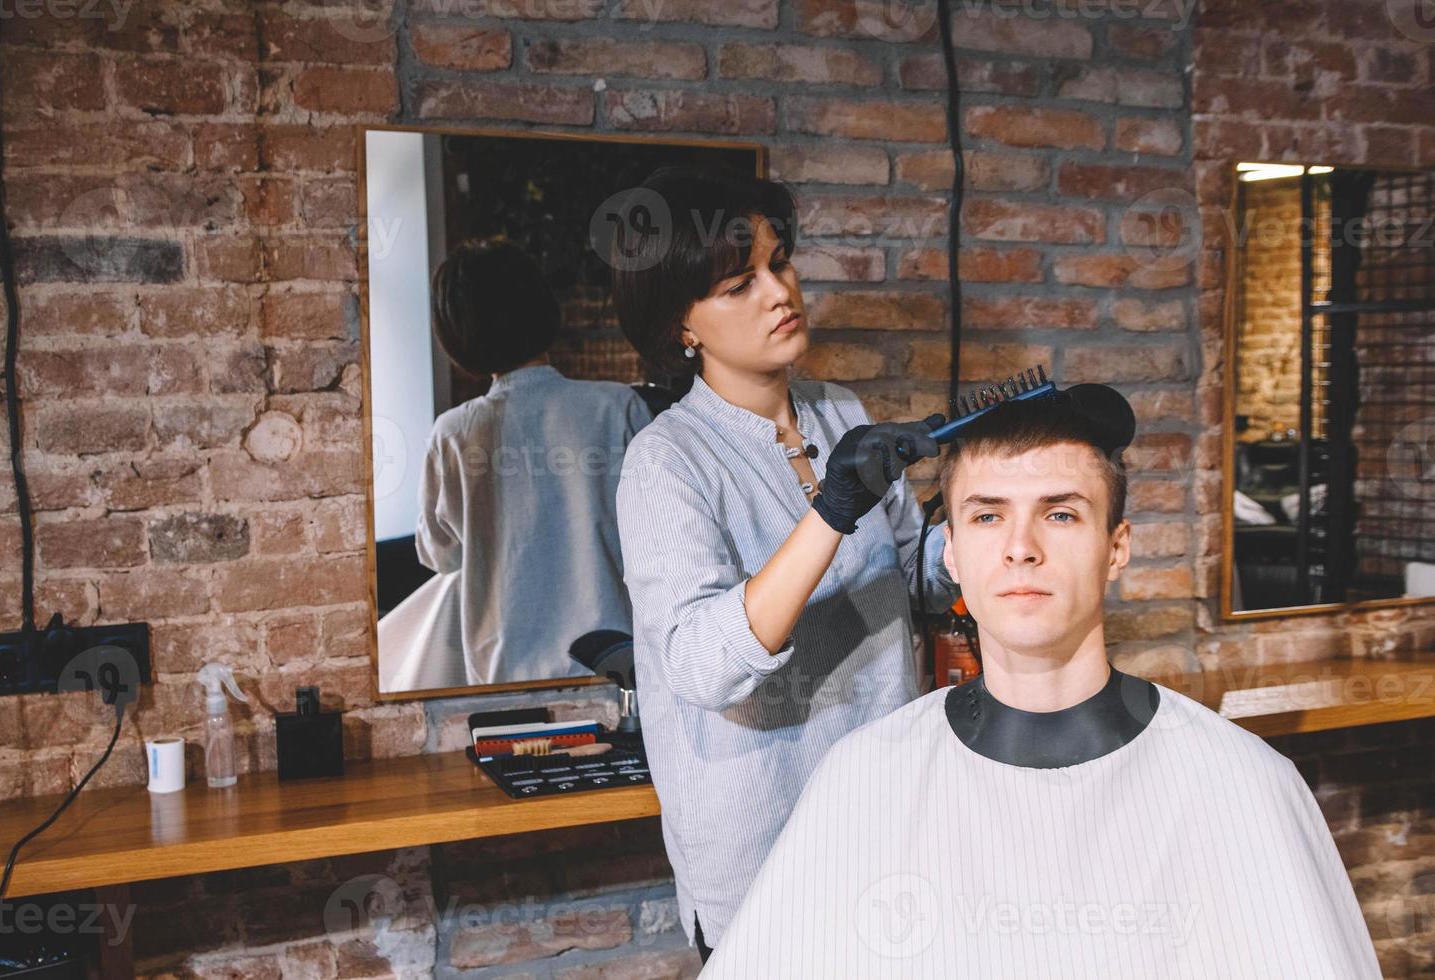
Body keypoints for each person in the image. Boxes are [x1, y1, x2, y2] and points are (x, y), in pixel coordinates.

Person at [701, 383, 1380, 977]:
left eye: (1060, 513)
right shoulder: (865, 780)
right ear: (955, 554)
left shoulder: (1241, 786)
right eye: (988, 515)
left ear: (1117, 547)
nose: (1021, 546)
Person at [610, 166, 957, 962]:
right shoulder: (667, 463)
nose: (778, 291)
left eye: (780, 261)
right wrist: (829, 512)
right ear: (681, 326)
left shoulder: (842, 413)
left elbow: (908, 581)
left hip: (884, 827)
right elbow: (700, 664)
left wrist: (985, 527)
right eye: (740, 283)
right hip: (762, 852)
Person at [385, 238, 652, 689]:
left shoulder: (454, 433)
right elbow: (660, 539)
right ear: (544, 308)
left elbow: (439, 555)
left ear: (456, 335)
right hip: (620, 671)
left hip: (504, 676)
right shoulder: (618, 408)